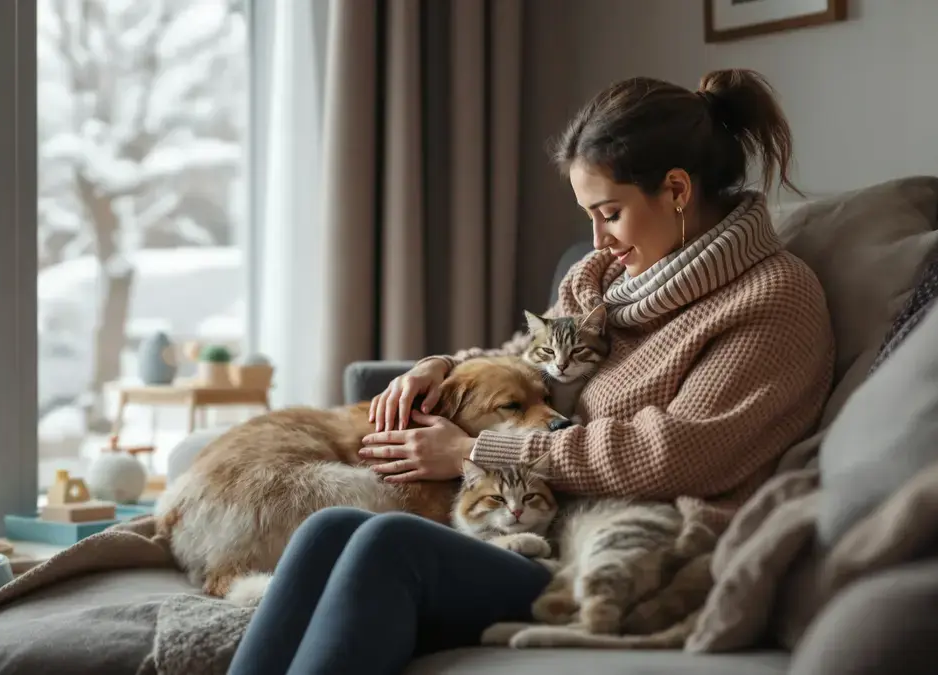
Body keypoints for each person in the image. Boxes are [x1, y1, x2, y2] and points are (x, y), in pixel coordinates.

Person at [227, 69, 836, 675]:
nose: (597, 241)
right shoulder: (601, 281)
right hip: (543, 518)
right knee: (333, 527)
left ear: (677, 190)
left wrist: (478, 451)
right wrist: (436, 368)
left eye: (610, 213)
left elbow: (679, 451)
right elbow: (524, 359)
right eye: (589, 217)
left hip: (630, 548)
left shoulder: (771, 300)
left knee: (389, 545)